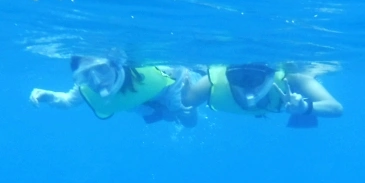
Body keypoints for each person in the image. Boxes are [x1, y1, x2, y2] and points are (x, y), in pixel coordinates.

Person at [29, 53, 199, 128]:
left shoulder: (139, 68)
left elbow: (178, 69)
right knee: (173, 120)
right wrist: (47, 96)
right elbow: (67, 101)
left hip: (170, 90)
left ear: (115, 63)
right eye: (86, 75)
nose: (96, 81)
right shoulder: (88, 87)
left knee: (189, 122)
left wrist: (174, 104)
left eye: (101, 69)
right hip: (149, 105)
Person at [181, 63, 343, 127]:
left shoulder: (291, 79)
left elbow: (336, 108)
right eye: (236, 78)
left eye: (255, 79)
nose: (246, 86)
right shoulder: (210, 83)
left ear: (271, 76)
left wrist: (305, 107)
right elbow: (189, 123)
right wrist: (187, 107)